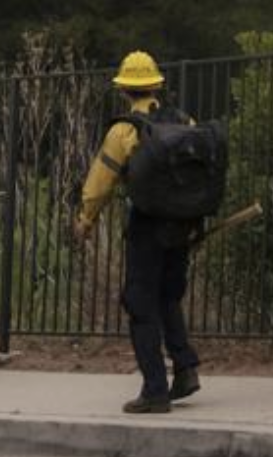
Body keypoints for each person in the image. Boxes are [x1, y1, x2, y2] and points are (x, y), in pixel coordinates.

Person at [71, 51, 201, 414]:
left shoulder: (125, 130)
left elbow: (100, 182)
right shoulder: (184, 119)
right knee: (168, 297)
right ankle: (186, 369)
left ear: (125, 89)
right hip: (181, 224)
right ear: (156, 85)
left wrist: (85, 218)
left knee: (140, 303)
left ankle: (155, 389)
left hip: (147, 225)